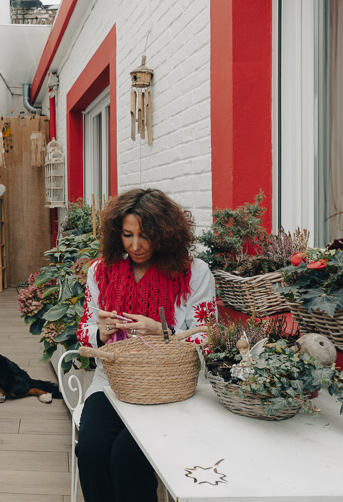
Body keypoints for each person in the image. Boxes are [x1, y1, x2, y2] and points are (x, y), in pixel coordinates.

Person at [75, 188, 216, 502]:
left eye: (145, 236)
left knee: (126, 457)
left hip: (171, 389)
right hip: (112, 385)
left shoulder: (193, 273)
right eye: (127, 235)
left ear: (165, 234)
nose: (135, 245)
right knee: (91, 450)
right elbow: (84, 332)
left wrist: (163, 331)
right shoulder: (101, 272)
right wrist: (101, 332)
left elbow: (208, 338)